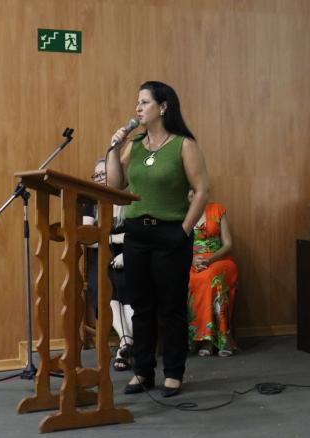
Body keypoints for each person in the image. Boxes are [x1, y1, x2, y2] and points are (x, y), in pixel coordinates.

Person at [106, 81, 209, 397]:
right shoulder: (133, 146)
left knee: (171, 307)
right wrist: (112, 148)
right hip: (136, 234)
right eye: (137, 102)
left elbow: (203, 190)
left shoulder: (183, 145)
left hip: (170, 234)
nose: (138, 108)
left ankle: (174, 373)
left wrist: (183, 231)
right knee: (141, 306)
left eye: (145, 102)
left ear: (163, 107)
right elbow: (114, 185)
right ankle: (143, 371)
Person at [83, 159, 134, 371]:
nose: (101, 179)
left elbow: (138, 236)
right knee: (105, 288)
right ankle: (127, 343)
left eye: (105, 174)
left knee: (130, 291)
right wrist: (115, 240)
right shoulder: (90, 202)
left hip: (129, 257)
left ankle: (126, 345)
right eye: (98, 175)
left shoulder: (128, 201)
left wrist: (126, 251)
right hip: (100, 259)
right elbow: (87, 237)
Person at [187, 193, 238, 357]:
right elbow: (176, 244)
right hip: (190, 261)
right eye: (190, 191)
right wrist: (191, 259)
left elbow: (228, 244)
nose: (193, 195)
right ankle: (200, 339)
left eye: (197, 191)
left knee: (210, 277)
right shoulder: (181, 213)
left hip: (219, 259)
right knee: (190, 278)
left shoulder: (217, 209)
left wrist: (210, 260)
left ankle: (216, 339)